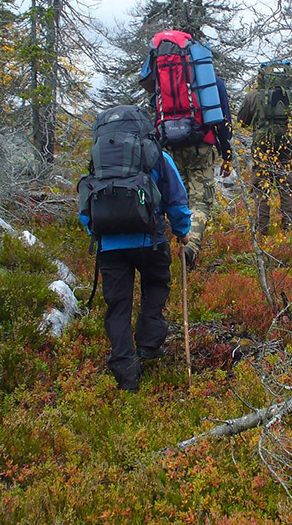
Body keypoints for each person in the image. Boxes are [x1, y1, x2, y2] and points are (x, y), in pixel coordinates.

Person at [78, 106, 192, 392]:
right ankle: (149, 346)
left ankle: (125, 372)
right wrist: (182, 231)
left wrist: (99, 232)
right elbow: (176, 199)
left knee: (118, 306)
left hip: (110, 245)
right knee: (155, 286)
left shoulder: (99, 160)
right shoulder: (157, 155)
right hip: (149, 241)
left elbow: (85, 206)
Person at [139, 34, 234, 269]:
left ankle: (171, 250)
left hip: (169, 147)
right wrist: (226, 153)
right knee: (200, 203)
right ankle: (190, 250)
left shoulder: (161, 83)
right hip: (201, 145)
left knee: (175, 200)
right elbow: (223, 121)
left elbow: (155, 112)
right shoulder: (210, 83)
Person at [237, 61, 292, 234]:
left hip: (261, 149)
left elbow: (242, 121)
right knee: (286, 189)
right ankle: (290, 230)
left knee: (261, 189)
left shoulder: (253, 96)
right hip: (286, 148)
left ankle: (262, 231)